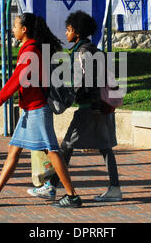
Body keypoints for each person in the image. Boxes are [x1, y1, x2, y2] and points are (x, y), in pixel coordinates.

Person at [0, 13, 82, 208]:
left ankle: (72, 196)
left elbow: (17, 78)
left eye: (15, 26)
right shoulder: (32, 49)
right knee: (14, 150)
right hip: (30, 109)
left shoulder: (30, 50)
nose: (12, 29)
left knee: (52, 151)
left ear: (24, 29)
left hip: (37, 109)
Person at [27, 10, 122, 202]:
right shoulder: (93, 50)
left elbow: (90, 82)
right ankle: (115, 188)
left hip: (90, 109)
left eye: (68, 29)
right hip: (101, 107)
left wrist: (88, 105)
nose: (66, 33)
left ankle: (51, 187)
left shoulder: (83, 52)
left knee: (66, 146)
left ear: (77, 32)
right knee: (105, 148)